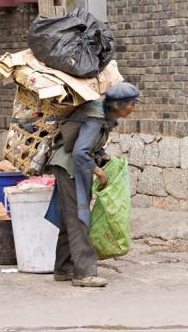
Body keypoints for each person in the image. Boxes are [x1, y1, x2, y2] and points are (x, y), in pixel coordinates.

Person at [44, 82, 141, 287]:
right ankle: (84, 273)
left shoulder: (103, 115)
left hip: (69, 166)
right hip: (71, 168)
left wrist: (102, 157)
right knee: (80, 218)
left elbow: (88, 146)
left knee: (68, 217)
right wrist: (98, 171)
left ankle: (63, 268)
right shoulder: (95, 118)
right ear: (117, 104)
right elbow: (80, 152)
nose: (134, 108)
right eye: (131, 104)